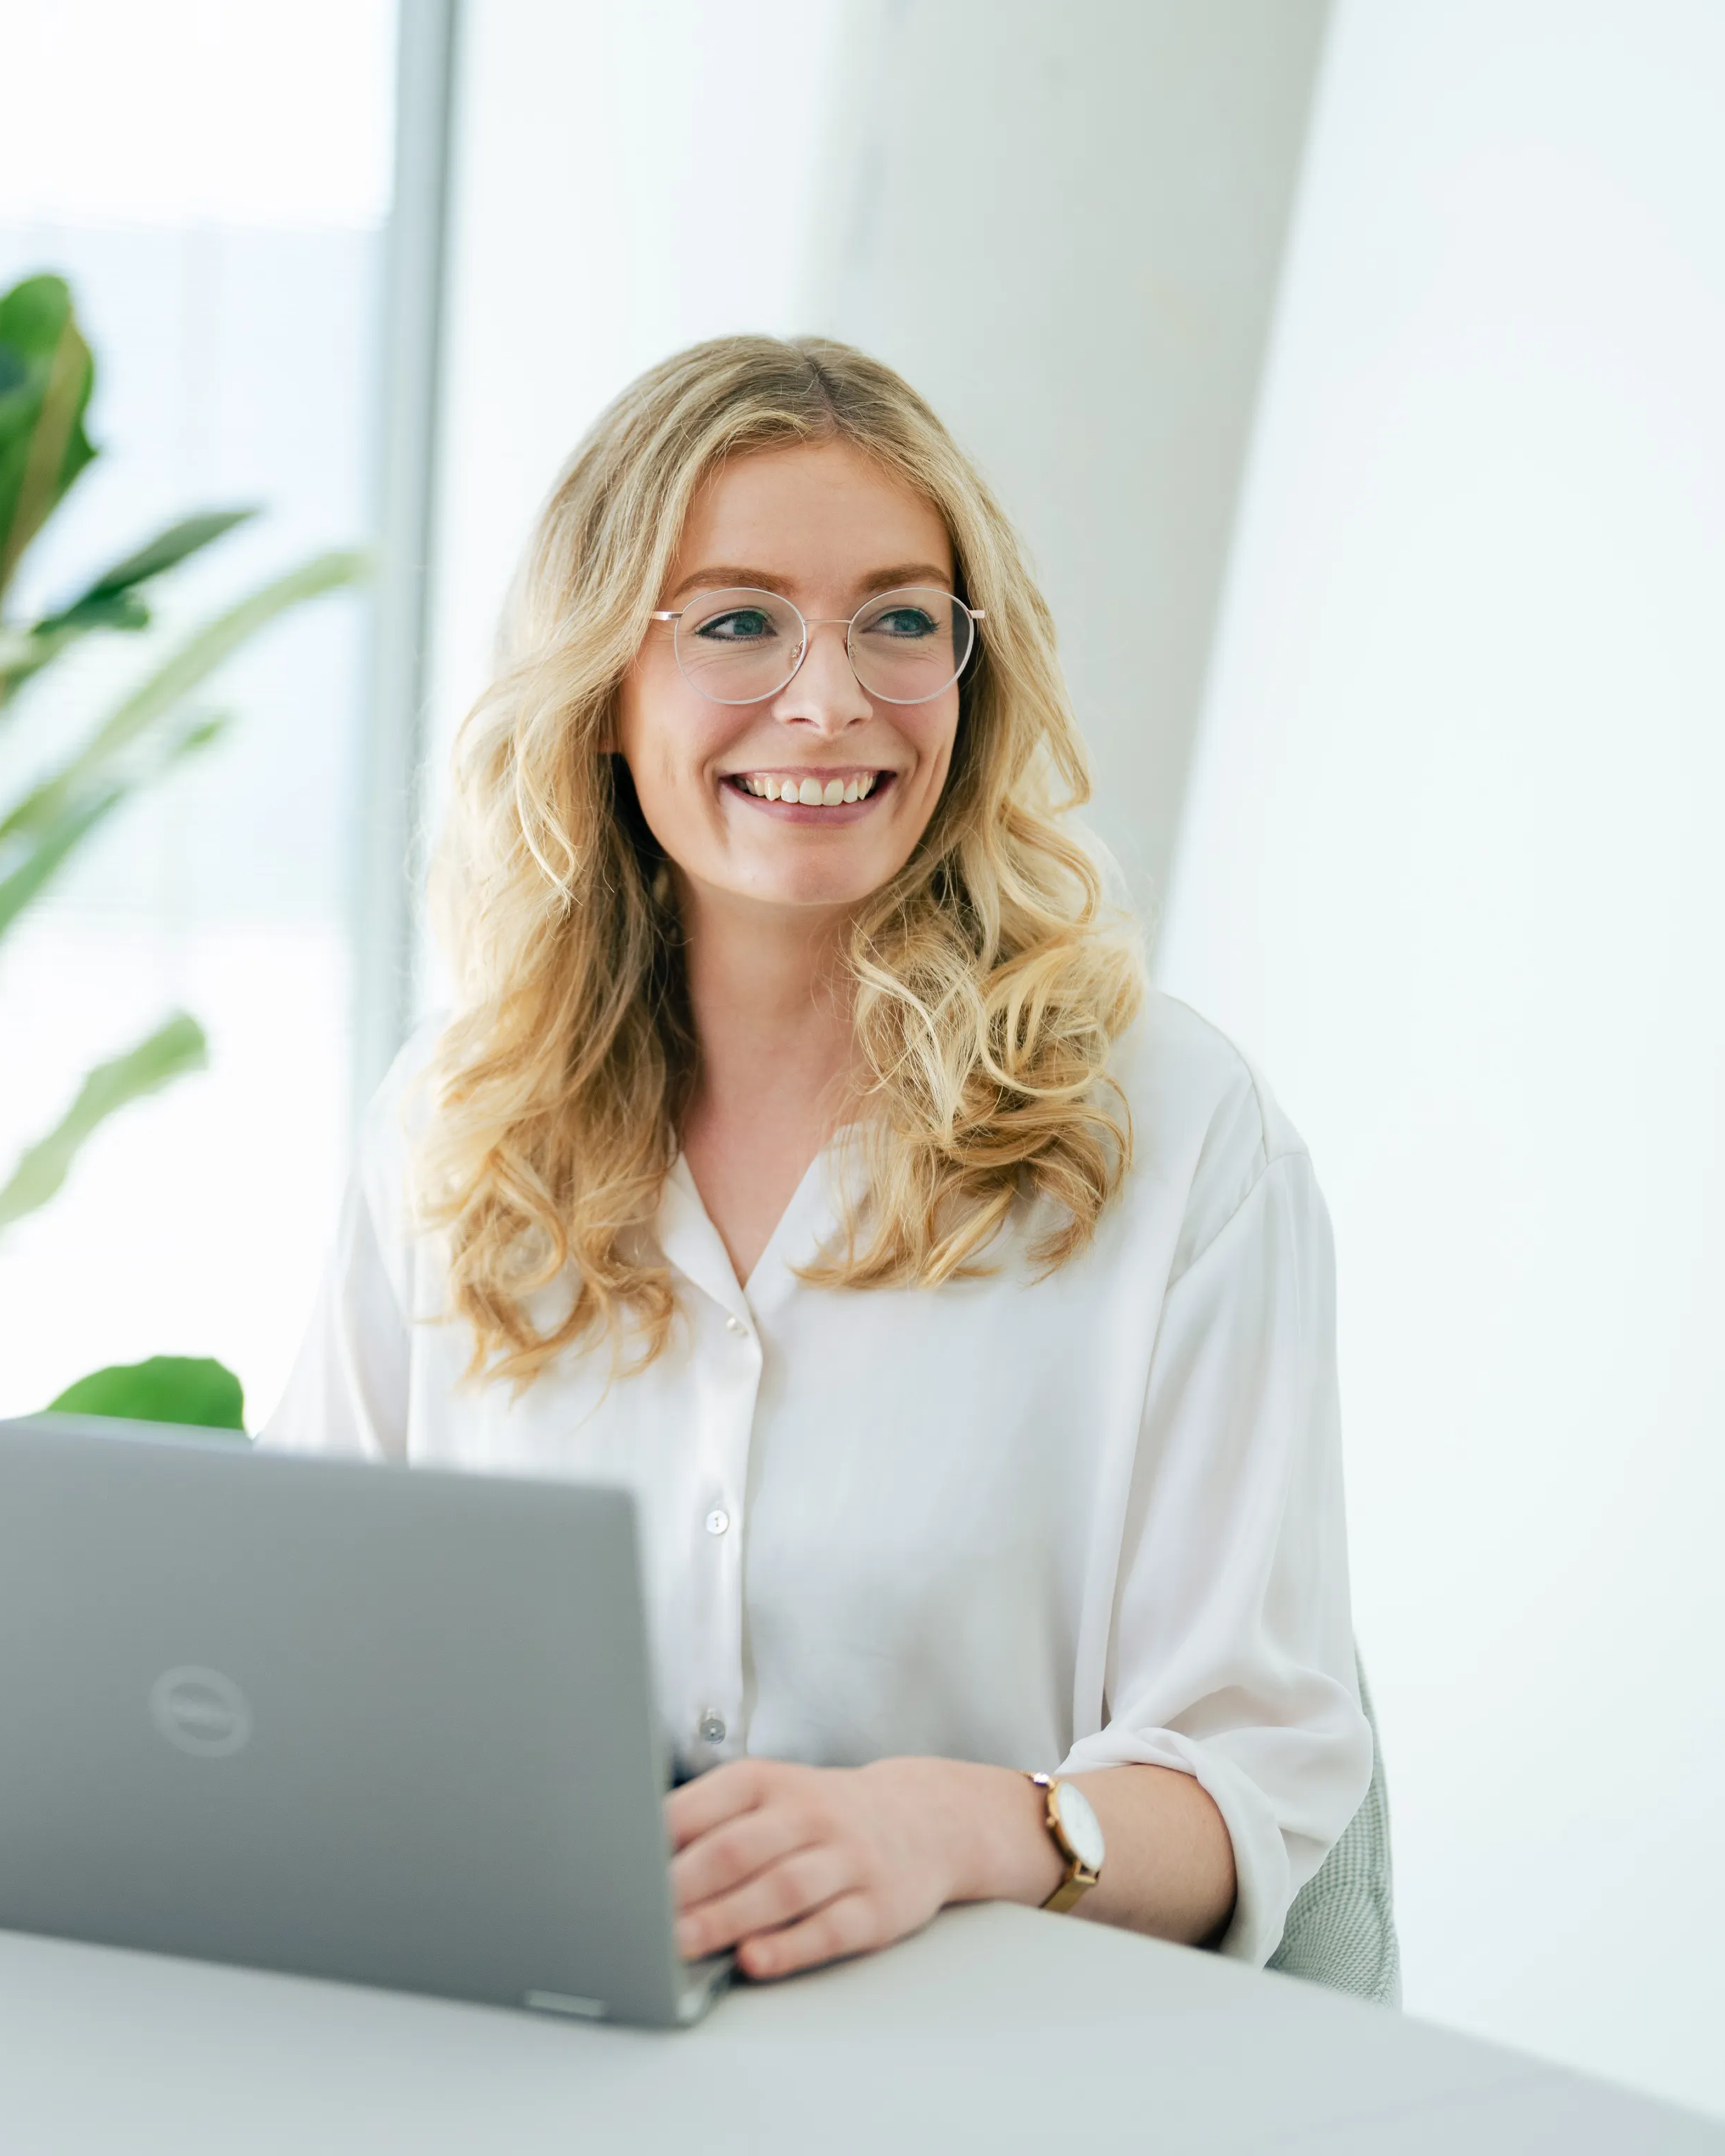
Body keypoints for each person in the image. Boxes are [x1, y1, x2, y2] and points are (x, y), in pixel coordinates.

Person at [262, 335, 1370, 1983]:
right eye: (735, 621)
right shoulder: (454, 1123)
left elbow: (1262, 1785)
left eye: (899, 621)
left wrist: (951, 1827)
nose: (829, 697)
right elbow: (293, 1637)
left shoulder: (1175, 1139)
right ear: (599, 693)